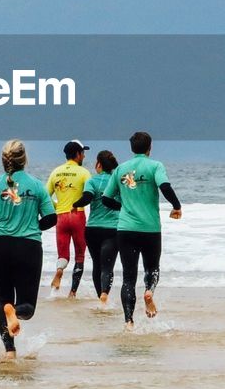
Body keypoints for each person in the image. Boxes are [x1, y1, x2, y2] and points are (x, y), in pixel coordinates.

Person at [0, 140, 57, 359]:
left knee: (3, 300)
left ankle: (10, 351)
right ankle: (16, 312)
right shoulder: (37, 185)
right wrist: (33, 225)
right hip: (28, 246)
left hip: (0, 246)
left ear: (3, 160)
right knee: (27, 306)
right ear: (24, 160)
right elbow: (51, 218)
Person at [101, 131, 182, 327]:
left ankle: (129, 321)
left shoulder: (121, 169)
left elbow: (105, 198)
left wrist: (124, 209)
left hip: (126, 229)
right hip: (150, 229)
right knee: (152, 268)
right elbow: (165, 187)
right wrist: (176, 206)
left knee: (128, 277)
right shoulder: (155, 166)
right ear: (150, 147)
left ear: (131, 148)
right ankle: (149, 292)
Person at [46, 140, 92, 294]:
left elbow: (45, 196)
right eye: (83, 153)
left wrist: (57, 206)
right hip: (77, 215)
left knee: (63, 254)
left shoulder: (55, 172)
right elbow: (90, 194)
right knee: (79, 255)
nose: (84, 156)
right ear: (78, 154)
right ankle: (73, 292)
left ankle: (59, 271)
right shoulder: (84, 172)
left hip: (61, 217)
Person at [77, 150, 121, 305]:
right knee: (107, 266)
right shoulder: (117, 181)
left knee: (97, 264)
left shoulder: (92, 181)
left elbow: (87, 198)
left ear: (99, 164)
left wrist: (75, 204)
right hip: (112, 229)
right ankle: (104, 293)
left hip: (93, 229)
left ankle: (100, 298)